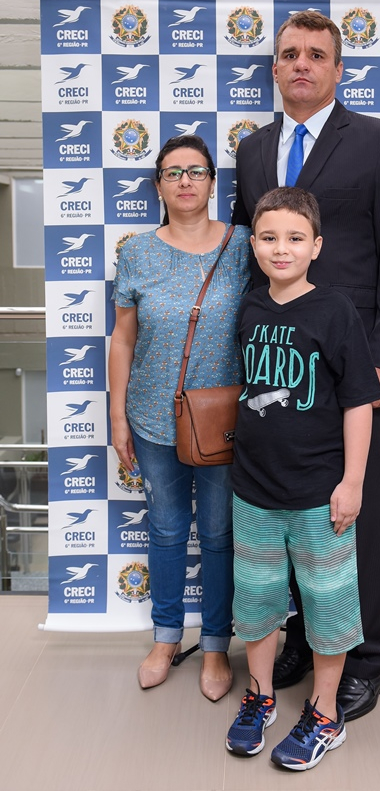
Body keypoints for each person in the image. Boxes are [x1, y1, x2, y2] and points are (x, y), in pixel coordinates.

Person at [232, 11, 380, 720]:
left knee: (353, 513)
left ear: (338, 69)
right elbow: (248, 257)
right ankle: (305, 643)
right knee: (285, 510)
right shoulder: (254, 150)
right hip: (276, 367)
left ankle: (366, 659)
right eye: (290, 54)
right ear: (274, 69)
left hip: (353, 366)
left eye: (316, 54)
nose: (302, 64)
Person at [226, 187, 380, 770]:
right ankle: (260, 696)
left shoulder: (335, 310)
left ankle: (325, 713)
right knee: (257, 597)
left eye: (295, 238)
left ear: (316, 245)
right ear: (254, 245)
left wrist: (353, 482)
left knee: (327, 601)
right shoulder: (249, 308)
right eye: (269, 238)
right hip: (253, 489)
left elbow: (359, 402)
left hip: (320, 492)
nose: (281, 248)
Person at [109, 135, 251, 700]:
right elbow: (123, 338)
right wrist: (118, 416)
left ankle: (215, 645)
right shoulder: (137, 252)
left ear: (213, 182)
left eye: (196, 171)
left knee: (218, 534)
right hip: (152, 417)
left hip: (222, 422)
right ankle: (166, 637)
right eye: (173, 172)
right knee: (166, 530)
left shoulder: (243, 245)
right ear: (158, 186)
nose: (185, 181)